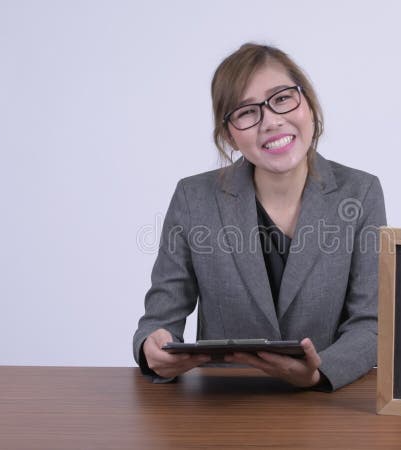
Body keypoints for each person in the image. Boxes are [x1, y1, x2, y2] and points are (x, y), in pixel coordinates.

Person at [133, 43, 386, 391]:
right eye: (247, 112)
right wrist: (153, 346)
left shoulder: (360, 192)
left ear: (308, 103)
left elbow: (370, 324)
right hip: (223, 403)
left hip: (327, 403)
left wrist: (319, 372)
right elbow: (159, 320)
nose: (271, 121)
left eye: (281, 98)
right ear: (229, 135)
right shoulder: (194, 198)